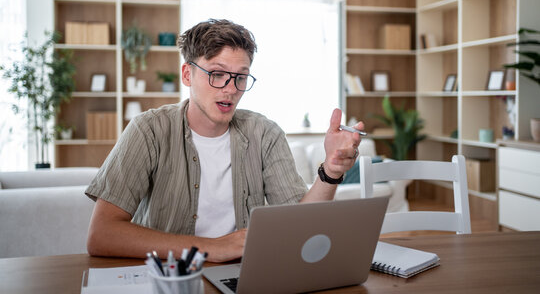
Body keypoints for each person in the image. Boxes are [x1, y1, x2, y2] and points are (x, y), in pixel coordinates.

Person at [85, 19, 364, 263]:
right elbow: (102, 234)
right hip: (172, 278)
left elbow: (299, 227)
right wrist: (210, 249)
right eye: (217, 74)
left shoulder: (264, 133)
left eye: (240, 77)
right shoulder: (148, 130)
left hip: (247, 274)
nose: (230, 89)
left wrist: (330, 172)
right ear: (187, 74)